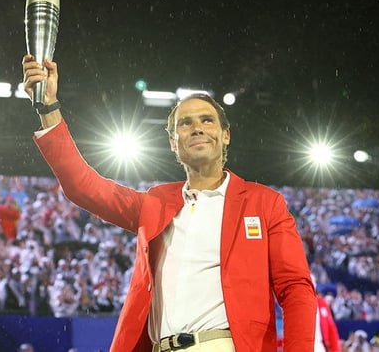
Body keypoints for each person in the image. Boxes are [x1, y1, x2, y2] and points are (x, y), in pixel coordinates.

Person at [22, 55, 316, 351]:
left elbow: (296, 290)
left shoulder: (264, 203)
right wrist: (48, 108)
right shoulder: (154, 203)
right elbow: (83, 186)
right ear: (174, 143)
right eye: (185, 123)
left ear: (225, 135)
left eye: (207, 120)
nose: (197, 128)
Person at [312, 275, 340, 352]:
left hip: (319, 345)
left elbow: (331, 327)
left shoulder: (321, 303)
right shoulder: (298, 304)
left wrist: (335, 349)